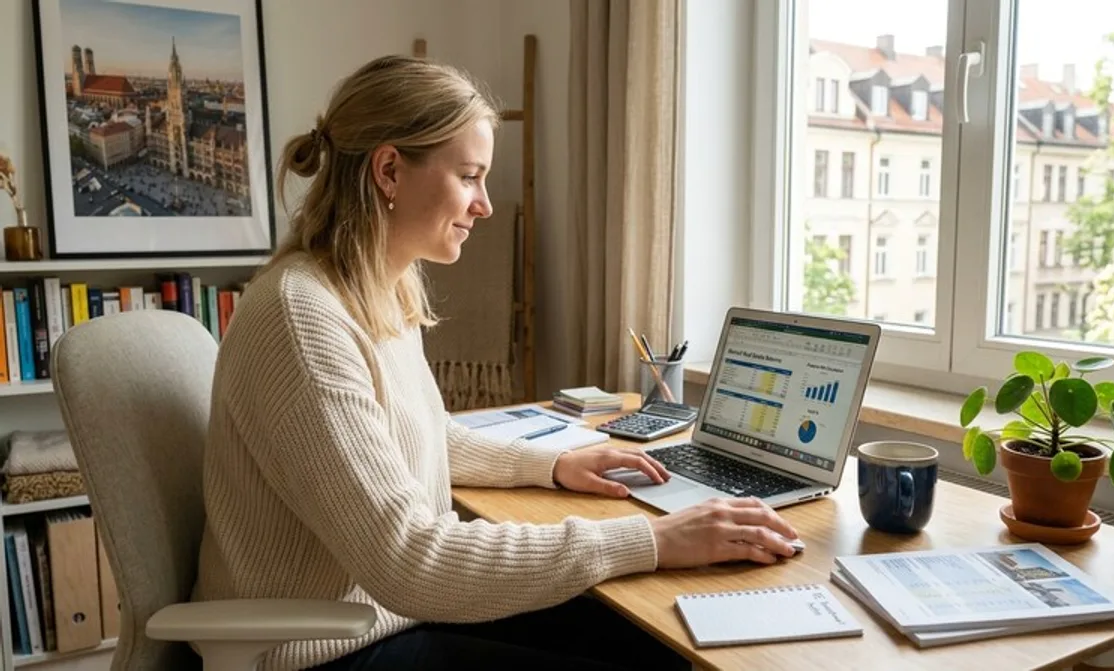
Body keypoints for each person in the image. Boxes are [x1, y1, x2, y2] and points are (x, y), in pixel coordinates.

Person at [191, 54, 802, 671]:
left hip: (385, 617)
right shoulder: (304, 316)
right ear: (389, 171)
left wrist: (556, 465)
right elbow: (409, 560)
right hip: (317, 651)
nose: (484, 204)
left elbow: (422, 437)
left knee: (649, 643)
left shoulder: (378, 288)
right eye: (468, 176)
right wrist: (652, 539)